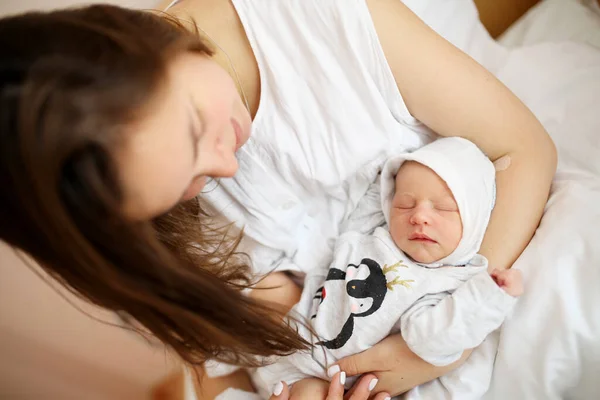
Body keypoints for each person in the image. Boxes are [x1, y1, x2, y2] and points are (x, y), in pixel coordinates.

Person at [0, 0, 556, 399]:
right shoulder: (135, 225)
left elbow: (523, 149)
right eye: (188, 184)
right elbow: (235, 359)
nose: (224, 166)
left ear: (151, 42)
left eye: (197, 130)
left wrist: (442, 341)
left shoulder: (317, 16)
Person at [254, 137, 523, 399]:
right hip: (290, 349)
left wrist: (489, 295)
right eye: (405, 204)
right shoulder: (370, 234)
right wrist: (383, 172)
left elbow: (435, 337)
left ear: (475, 224)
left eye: (442, 209)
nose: (419, 216)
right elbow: (377, 195)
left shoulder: (447, 281)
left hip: (342, 382)